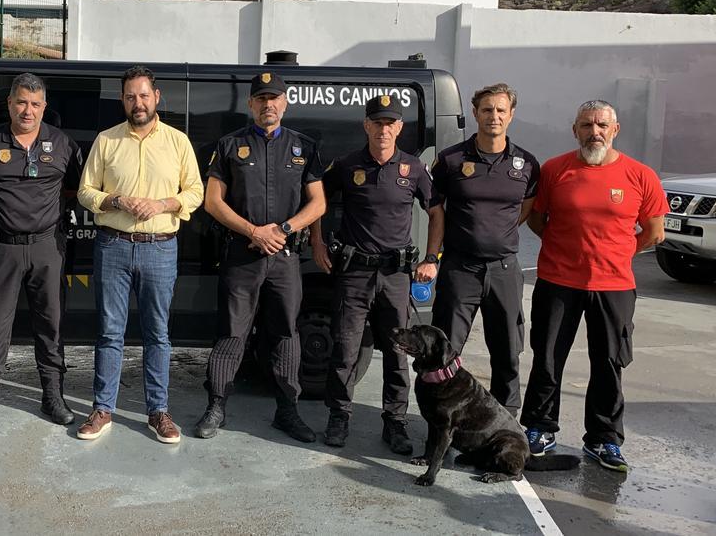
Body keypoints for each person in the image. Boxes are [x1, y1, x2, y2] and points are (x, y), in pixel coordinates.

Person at [521, 100, 666, 473]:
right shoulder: (555, 170)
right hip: (557, 280)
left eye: (602, 124)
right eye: (586, 125)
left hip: (614, 286)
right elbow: (536, 220)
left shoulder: (640, 175)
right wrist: (564, 248)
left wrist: (617, 253)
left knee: (609, 363)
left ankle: (603, 439)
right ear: (575, 130)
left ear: (615, 129)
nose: (594, 132)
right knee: (548, 357)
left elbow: (654, 232)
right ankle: (539, 427)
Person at [75, 65, 204, 444]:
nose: (138, 102)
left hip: (160, 249)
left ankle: (158, 412)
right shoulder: (107, 140)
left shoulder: (178, 142)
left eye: (144, 95)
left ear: (156, 97)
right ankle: (102, 409)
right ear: (123, 100)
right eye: (131, 96)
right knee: (110, 332)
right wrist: (115, 199)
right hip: (113, 246)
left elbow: (195, 192)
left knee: (158, 334)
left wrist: (164, 203)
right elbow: (85, 191)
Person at [196, 72, 326, 442]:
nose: (268, 104)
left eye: (275, 98)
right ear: (250, 104)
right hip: (242, 254)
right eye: (261, 98)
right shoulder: (229, 145)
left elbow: (318, 203)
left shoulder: (304, 147)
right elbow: (213, 202)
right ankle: (217, 405)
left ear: (285, 103)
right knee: (232, 333)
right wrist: (253, 231)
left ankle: (287, 411)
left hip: (284, 258)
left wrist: (281, 230)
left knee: (285, 333)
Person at [310, 93, 442, 455]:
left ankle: (395, 423)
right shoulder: (348, 164)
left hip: (396, 276)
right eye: (377, 122)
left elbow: (436, 212)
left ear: (399, 127)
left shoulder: (413, 168)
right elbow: (316, 200)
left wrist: (432, 256)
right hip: (354, 273)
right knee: (345, 350)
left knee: (399, 353)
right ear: (366, 125)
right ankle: (339, 416)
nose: (383, 129)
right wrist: (317, 244)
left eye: (390, 123)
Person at [0, 73, 82, 427]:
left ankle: (52, 395)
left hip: (47, 247)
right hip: (2, 248)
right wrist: (5, 211)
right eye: (21, 103)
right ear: (10, 104)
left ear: (44, 107)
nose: (27, 110)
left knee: (51, 324)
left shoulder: (62, 144)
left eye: (34, 104)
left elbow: (73, 190)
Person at [428, 83, 540, 417]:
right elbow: (437, 212)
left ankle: (505, 423)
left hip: (504, 270)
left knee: (507, 351)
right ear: (475, 114)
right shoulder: (450, 160)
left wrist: (495, 235)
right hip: (460, 268)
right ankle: (440, 424)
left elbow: (525, 210)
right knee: (444, 350)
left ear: (511, 115)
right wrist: (436, 255)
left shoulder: (528, 164)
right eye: (487, 110)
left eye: (501, 110)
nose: (494, 116)